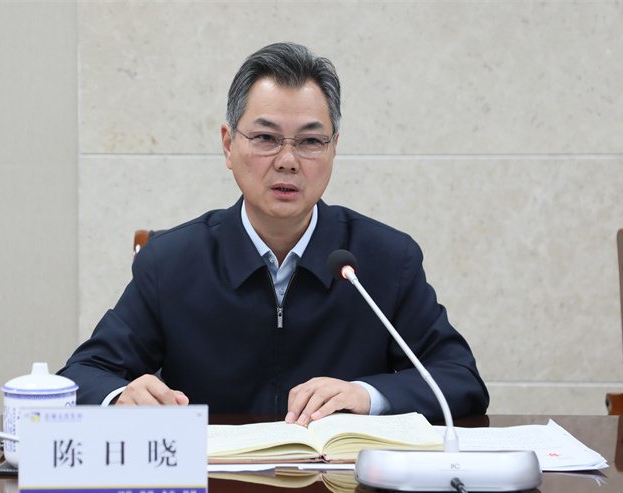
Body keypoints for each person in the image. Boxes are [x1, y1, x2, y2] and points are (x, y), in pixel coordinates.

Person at [58, 42, 489, 425]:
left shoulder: (384, 259)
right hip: (214, 482)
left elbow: (459, 378)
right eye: (266, 138)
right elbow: (80, 376)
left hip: (338, 482)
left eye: (310, 142)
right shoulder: (171, 262)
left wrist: (368, 395)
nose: (287, 160)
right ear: (229, 145)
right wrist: (121, 396)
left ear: (334, 148)